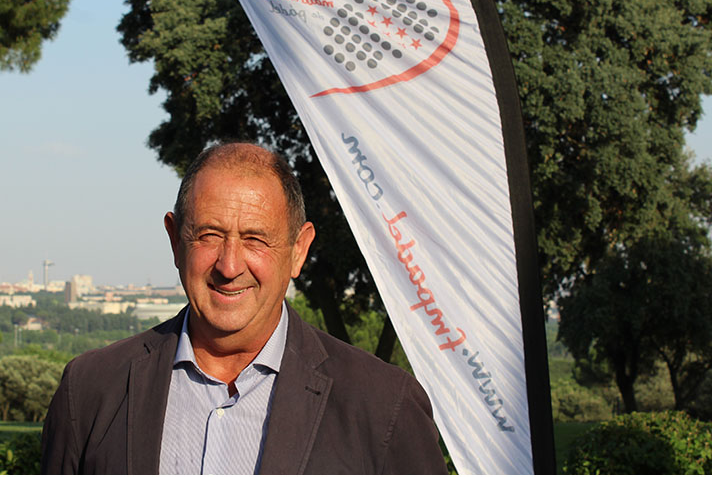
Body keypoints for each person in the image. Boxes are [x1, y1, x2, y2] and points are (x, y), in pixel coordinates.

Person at [41, 142, 448, 474]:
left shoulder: (383, 406)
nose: (229, 266)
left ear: (298, 250)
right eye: (209, 235)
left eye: (255, 239)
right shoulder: (91, 390)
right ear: (175, 240)